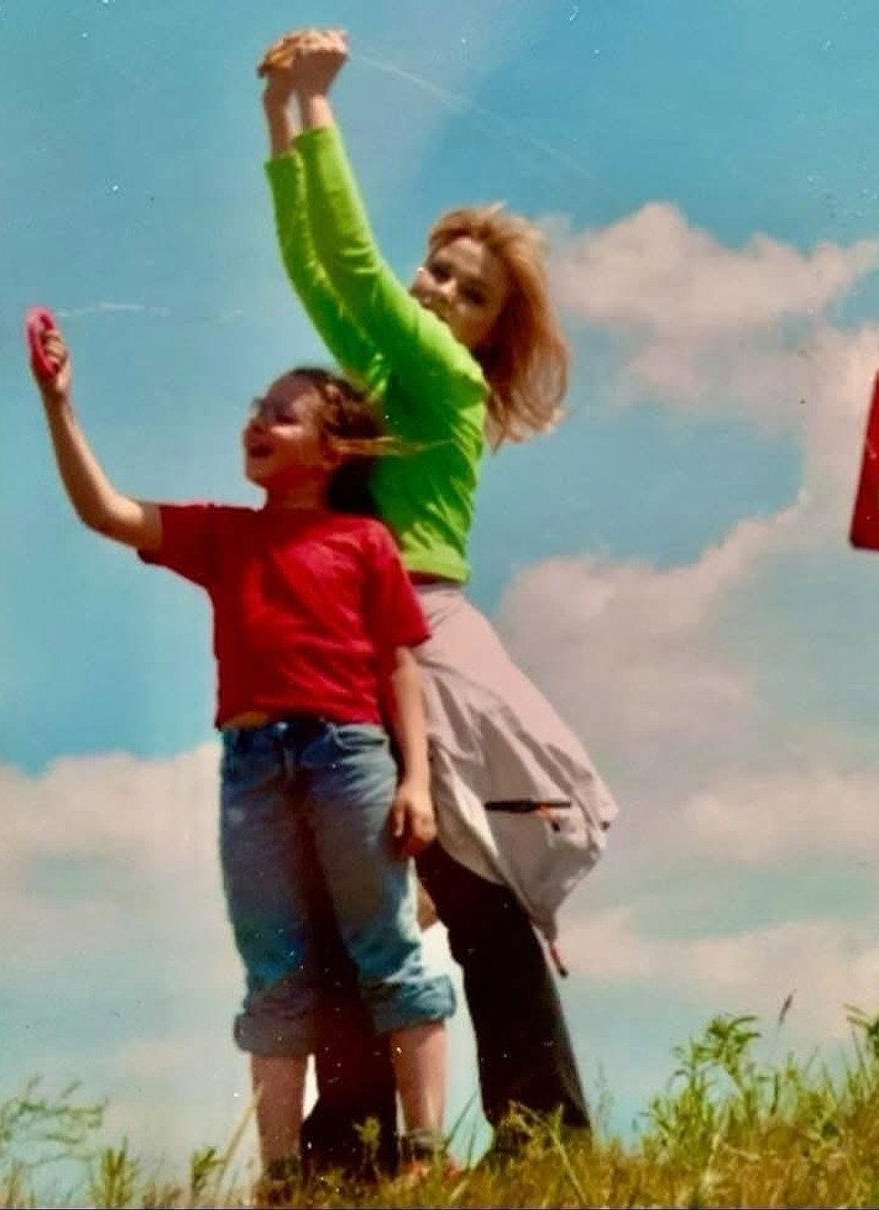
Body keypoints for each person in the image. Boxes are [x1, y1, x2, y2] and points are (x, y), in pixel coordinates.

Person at [257, 25, 620, 1172]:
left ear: (482, 333)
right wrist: (278, 116)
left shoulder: (441, 372)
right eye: (442, 272)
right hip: (348, 653)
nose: (445, 292)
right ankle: (351, 1153)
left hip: (424, 646)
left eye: (471, 293)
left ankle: (544, 1133)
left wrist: (319, 103)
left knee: (473, 891)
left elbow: (356, 267)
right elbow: (318, 270)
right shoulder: (382, 374)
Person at [28, 325, 457, 1189]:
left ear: (332, 451)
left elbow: (398, 665)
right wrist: (57, 402)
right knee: (273, 971)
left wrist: (416, 781)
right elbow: (105, 512)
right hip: (252, 767)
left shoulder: (363, 543)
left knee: (387, 952)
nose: (257, 422)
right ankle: (281, 1177)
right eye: (257, 408)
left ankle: (424, 1156)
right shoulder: (224, 535)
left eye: (283, 415)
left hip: (347, 754)